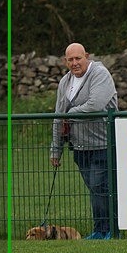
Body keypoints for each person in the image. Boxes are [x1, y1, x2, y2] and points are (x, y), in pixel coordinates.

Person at [50, 43, 118, 239]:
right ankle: (101, 230)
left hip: (103, 143)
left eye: (78, 58)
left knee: (100, 187)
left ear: (86, 56)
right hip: (79, 146)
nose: (74, 63)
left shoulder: (100, 74)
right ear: (65, 61)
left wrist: (70, 114)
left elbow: (95, 105)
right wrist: (56, 149)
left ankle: (109, 231)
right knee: (95, 189)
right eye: (70, 60)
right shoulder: (65, 82)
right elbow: (58, 115)